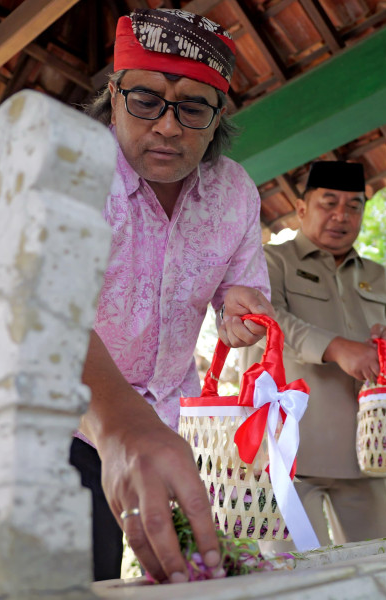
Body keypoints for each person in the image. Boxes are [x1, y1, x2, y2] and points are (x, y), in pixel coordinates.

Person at [70, 8, 274, 583]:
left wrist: (239, 312)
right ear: (113, 97)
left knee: (191, 578)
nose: (167, 126)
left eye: (192, 107)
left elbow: (240, 291)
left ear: (217, 117)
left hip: (174, 427)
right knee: (80, 578)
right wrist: (118, 421)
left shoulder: (233, 193)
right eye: (145, 100)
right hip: (61, 422)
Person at [248, 160, 386, 546]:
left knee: (382, 565)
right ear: (301, 209)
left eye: (353, 206)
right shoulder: (270, 262)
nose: (341, 216)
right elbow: (264, 320)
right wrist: (335, 348)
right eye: (328, 203)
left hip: (369, 449)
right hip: (288, 449)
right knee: (294, 572)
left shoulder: (381, 277)